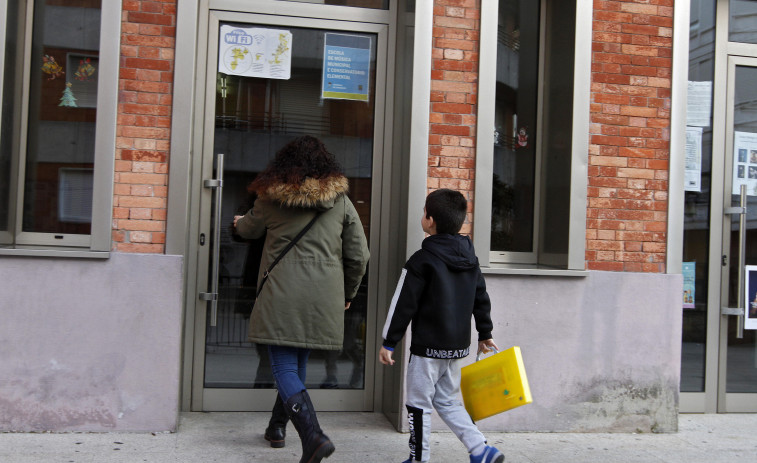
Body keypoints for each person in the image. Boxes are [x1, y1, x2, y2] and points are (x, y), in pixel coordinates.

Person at [234, 135, 370, 462]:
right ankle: (276, 427)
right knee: (298, 363)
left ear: (284, 165)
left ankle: (313, 435)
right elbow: (360, 255)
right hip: (322, 298)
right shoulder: (340, 202)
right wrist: (347, 294)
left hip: (282, 293)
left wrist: (236, 222)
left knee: (283, 365)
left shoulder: (269, 198)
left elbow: (247, 231)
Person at [379, 188, 504, 463]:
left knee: (418, 404)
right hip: (456, 348)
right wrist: (485, 333)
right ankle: (481, 449)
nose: (422, 216)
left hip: (426, 350)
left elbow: (403, 303)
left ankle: (419, 459)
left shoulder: (421, 260)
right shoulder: (470, 260)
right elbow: (480, 297)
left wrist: (389, 340)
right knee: (447, 401)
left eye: (424, 212)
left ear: (430, 220)